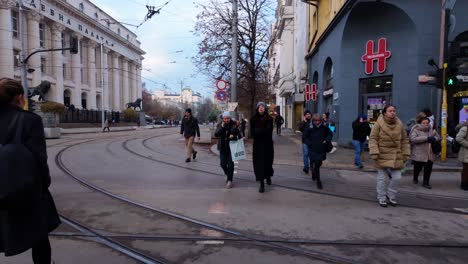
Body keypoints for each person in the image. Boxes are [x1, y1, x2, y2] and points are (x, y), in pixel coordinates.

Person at [0, 78, 61, 263]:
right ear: (19, 97)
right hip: (27, 189)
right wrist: (44, 185)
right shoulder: (30, 120)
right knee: (39, 236)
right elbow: (39, 158)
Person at [369, 105, 410, 207]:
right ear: (384, 113)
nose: (393, 112)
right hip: (382, 154)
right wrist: (374, 151)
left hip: (396, 154)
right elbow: (373, 138)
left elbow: (405, 140)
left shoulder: (399, 124)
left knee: (397, 177)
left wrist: (406, 153)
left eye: (394, 111)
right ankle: (381, 197)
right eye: (390, 111)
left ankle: (390, 194)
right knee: (382, 178)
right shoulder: (378, 124)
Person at [304, 114, 333, 189]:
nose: (317, 122)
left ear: (320, 120)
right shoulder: (310, 127)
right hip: (313, 148)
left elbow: (330, 134)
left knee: (319, 163)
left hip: (321, 149)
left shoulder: (324, 127)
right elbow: (304, 137)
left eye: (318, 121)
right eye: (315, 121)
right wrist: (309, 143)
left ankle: (314, 172)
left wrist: (326, 140)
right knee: (315, 163)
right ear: (313, 120)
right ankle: (318, 181)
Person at [409, 116, 440, 189]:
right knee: (417, 167)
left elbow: (438, 137)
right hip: (419, 153)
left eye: (427, 123)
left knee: (428, 168)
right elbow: (413, 139)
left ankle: (426, 182)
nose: (426, 124)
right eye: (424, 123)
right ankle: (415, 178)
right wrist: (426, 138)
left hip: (430, 153)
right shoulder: (416, 130)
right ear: (420, 123)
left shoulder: (432, 130)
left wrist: (434, 138)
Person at [250, 102, 274, 193]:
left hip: (268, 145)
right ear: (257, 108)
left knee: (268, 162)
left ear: (265, 109)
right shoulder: (253, 119)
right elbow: (252, 133)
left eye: (263, 106)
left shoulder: (269, 118)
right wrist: (262, 130)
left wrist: (258, 131)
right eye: (259, 106)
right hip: (257, 145)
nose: (261, 108)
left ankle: (268, 176)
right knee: (259, 164)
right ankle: (261, 183)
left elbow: (269, 131)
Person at [215, 111, 241, 188]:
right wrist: (222, 127)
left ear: (230, 118)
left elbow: (239, 136)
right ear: (223, 118)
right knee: (222, 164)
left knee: (231, 165)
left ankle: (230, 180)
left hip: (231, 148)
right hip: (222, 148)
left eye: (227, 118)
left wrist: (234, 137)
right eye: (225, 118)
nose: (226, 120)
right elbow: (216, 134)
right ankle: (227, 173)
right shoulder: (220, 125)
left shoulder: (234, 125)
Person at [455, 120, 468, 191]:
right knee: (466, 169)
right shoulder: (465, 128)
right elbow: (458, 138)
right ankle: (464, 184)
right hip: (466, 153)